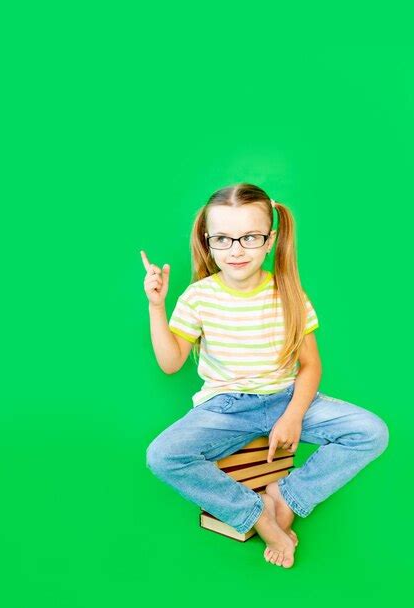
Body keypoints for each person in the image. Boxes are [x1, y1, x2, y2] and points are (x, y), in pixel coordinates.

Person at [141, 183, 389, 569]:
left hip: (287, 397)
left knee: (371, 431)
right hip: (225, 408)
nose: (236, 249)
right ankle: (256, 515)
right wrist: (157, 306)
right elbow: (171, 363)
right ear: (208, 243)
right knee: (162, 455)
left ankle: (287, 497)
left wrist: (292, 415)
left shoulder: (289, 292)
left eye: (249, 237)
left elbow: (311, 366)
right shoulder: (198, 297)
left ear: (270, 239)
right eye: (222, 239)